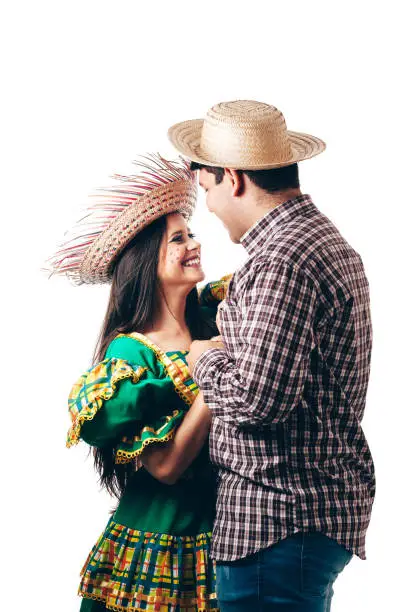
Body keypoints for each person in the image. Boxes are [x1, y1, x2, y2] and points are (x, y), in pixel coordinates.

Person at [168, 100, 376, 611]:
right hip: (299, 524)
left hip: (276, 524)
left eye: (208, 189)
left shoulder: (281, 261)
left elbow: (258, 400)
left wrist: (202, 357)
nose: (210, 209)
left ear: (233, 178)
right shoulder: (313, 242)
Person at [47, 154, 229, 611]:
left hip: (220, 541)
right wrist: (209, 380)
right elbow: (165, 468)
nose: (194, 244)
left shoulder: (211, 318)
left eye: (192, 233)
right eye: (178, 239)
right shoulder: (130, 352)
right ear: (148, 260)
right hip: (154, 545)